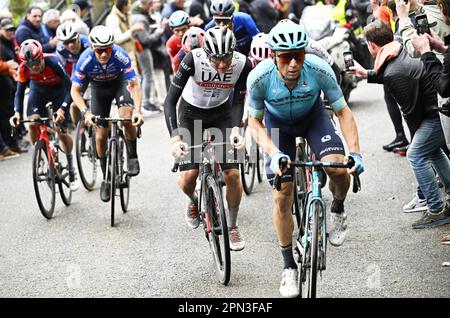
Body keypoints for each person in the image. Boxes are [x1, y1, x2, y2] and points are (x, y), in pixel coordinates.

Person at [247, 19, 364, 298]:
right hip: (278, 126)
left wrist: (356, 151)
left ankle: (337, 207)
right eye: (286, 57)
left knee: (337, 168)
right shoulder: (260, 78)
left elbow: (343, 111)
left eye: (298, 55)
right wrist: (274, 154)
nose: (293, 63)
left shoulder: (319, 69)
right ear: (274, 55)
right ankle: (289, 267)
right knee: (282, 196)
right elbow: (254, 122)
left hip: (313, 118)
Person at [349, 20, 450, 228]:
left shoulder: (393, 71)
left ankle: (436, 208)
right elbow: (390, 72)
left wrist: (416, 139)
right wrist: (366, 73)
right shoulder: (397, 49)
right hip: (438, 111)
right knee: (431, 152)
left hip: (436, 115)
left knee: (416, 153)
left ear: (372, 45)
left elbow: (410, 112)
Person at [164, 26, 252, 251]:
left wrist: (235, 129)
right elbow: (169, 101)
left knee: (232, 174)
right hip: (190, 113)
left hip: (221, 113)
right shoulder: (192, 59)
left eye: (226, 58)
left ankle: (232, 225)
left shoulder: (243, 63)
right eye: (215, 60)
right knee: (189, 176)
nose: (222, 65)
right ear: (206, 54)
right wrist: (175, 138)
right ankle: (193, 200)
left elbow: (239, 99)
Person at [71, 25, 144, 202]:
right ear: (92, 48)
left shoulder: (120, 55)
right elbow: (75, 91)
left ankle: (132, 154)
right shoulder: (85, 59)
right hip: (98, 89)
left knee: (127, 119)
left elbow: (134, 84)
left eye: (108, 49)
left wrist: (138, 111)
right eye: (100, 51)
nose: (104, 54)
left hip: (119, 84)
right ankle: (106, 176)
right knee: (100, 136)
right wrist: (86, 113)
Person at [9, 39, 79, 190]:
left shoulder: (53, 61)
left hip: (59, 92)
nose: (34, 67)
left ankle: (71, 166)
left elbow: (71, 88)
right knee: (33, 123)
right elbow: (19, 93)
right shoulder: (23, 69)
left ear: (41, 57)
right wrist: (17, 113)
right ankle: (40, 155)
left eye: (36, 62)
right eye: (30, 65)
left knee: (60, 130)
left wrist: (62, 109)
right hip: (38, 91)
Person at [131, 0, 165, 115]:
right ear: (146, 4)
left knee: (146, 75)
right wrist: (158, 32)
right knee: (147, 75)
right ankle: (146, 102)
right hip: (142, 50)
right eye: (150, 4)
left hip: (139, 49)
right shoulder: (141, 18)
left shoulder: (135, 14)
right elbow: (145, 39)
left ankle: (147, 101)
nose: (152, 6)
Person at [55, 22, 90, 125]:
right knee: (74, 105)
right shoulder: (60, 49)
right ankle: (79, 128)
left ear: (78, 37)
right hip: (78, 70)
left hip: (93, 70)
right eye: (66, 43)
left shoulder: (88, 44)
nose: (70, 45)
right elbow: (63, 70)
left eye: (72, 41)